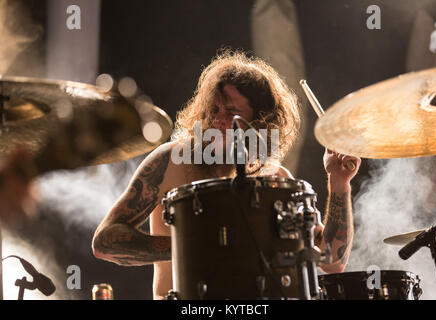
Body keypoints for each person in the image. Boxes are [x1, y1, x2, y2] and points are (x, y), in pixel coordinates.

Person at [92, 50, 361, 300]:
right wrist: (192, 245)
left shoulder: (276, 179)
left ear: (260, 121)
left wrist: (338, 182)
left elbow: (332, 260)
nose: (218, 121)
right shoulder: (170, 161)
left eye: (232, 113)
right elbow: (105, 242)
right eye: (213, 111)